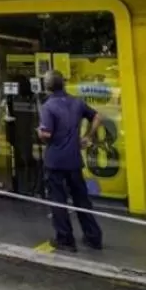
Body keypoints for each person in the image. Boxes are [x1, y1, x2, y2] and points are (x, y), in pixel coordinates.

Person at [37, 70, 103, 251]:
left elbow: (46, 134)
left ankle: (65, 239)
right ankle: (93, 237)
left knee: (58, 200)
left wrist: (39, 132)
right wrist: (88, 136)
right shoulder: (77, 102)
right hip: (74, 159)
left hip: (55, 161)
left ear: (47, 87)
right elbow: (97, 117)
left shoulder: (48, 106)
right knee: (82, 200)